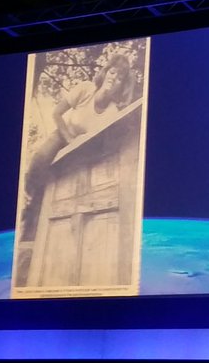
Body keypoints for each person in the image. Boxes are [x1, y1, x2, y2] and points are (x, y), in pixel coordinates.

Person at [19, 53, 137, 241]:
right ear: (106, 72)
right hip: (63, 134)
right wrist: (67, 137)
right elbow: (56, 113)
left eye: (120, 78)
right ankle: (28, 197)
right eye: (112, 72)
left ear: (122, 87)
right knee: (40, 158)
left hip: (80, 149)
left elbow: (100, 143)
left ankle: (35, 224)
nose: (114, 78)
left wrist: (78, 149)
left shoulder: (113, 112)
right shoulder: (86, 88)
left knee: (59, 183)